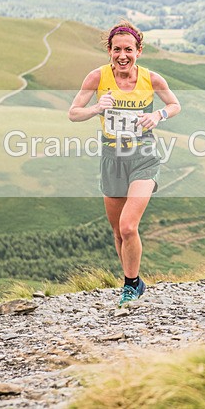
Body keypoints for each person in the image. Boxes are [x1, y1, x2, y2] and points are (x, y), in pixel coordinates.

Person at [69, 19, 180, 306]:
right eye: (116, 49)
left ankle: (129, 286)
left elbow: (174, 104)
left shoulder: (152, 79)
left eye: (128, 49)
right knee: (118, 230)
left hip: (143, 156)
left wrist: (158, 116)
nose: (122, 55)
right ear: (109, 51)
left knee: (129, 226)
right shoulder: (96, 77)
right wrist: (96, 108)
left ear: (138, 51)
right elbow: (73, 113)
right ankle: (134, 279)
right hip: (111, 156)